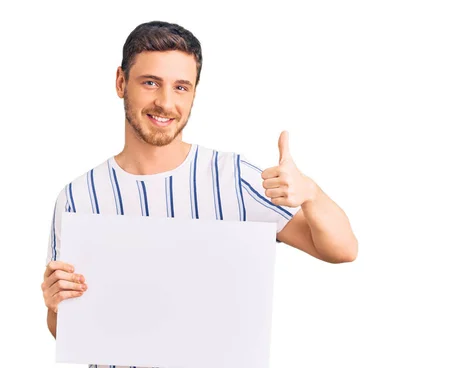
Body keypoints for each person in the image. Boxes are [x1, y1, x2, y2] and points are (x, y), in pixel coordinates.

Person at [40, 20, 358, 368]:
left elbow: (342, 250)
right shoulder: (77, 197)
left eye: (181, 87)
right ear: (120, 82)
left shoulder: (233, 178)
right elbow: (69, 329)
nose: (165, 102)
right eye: (150, 83)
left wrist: (311, 193)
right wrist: (56, 307)